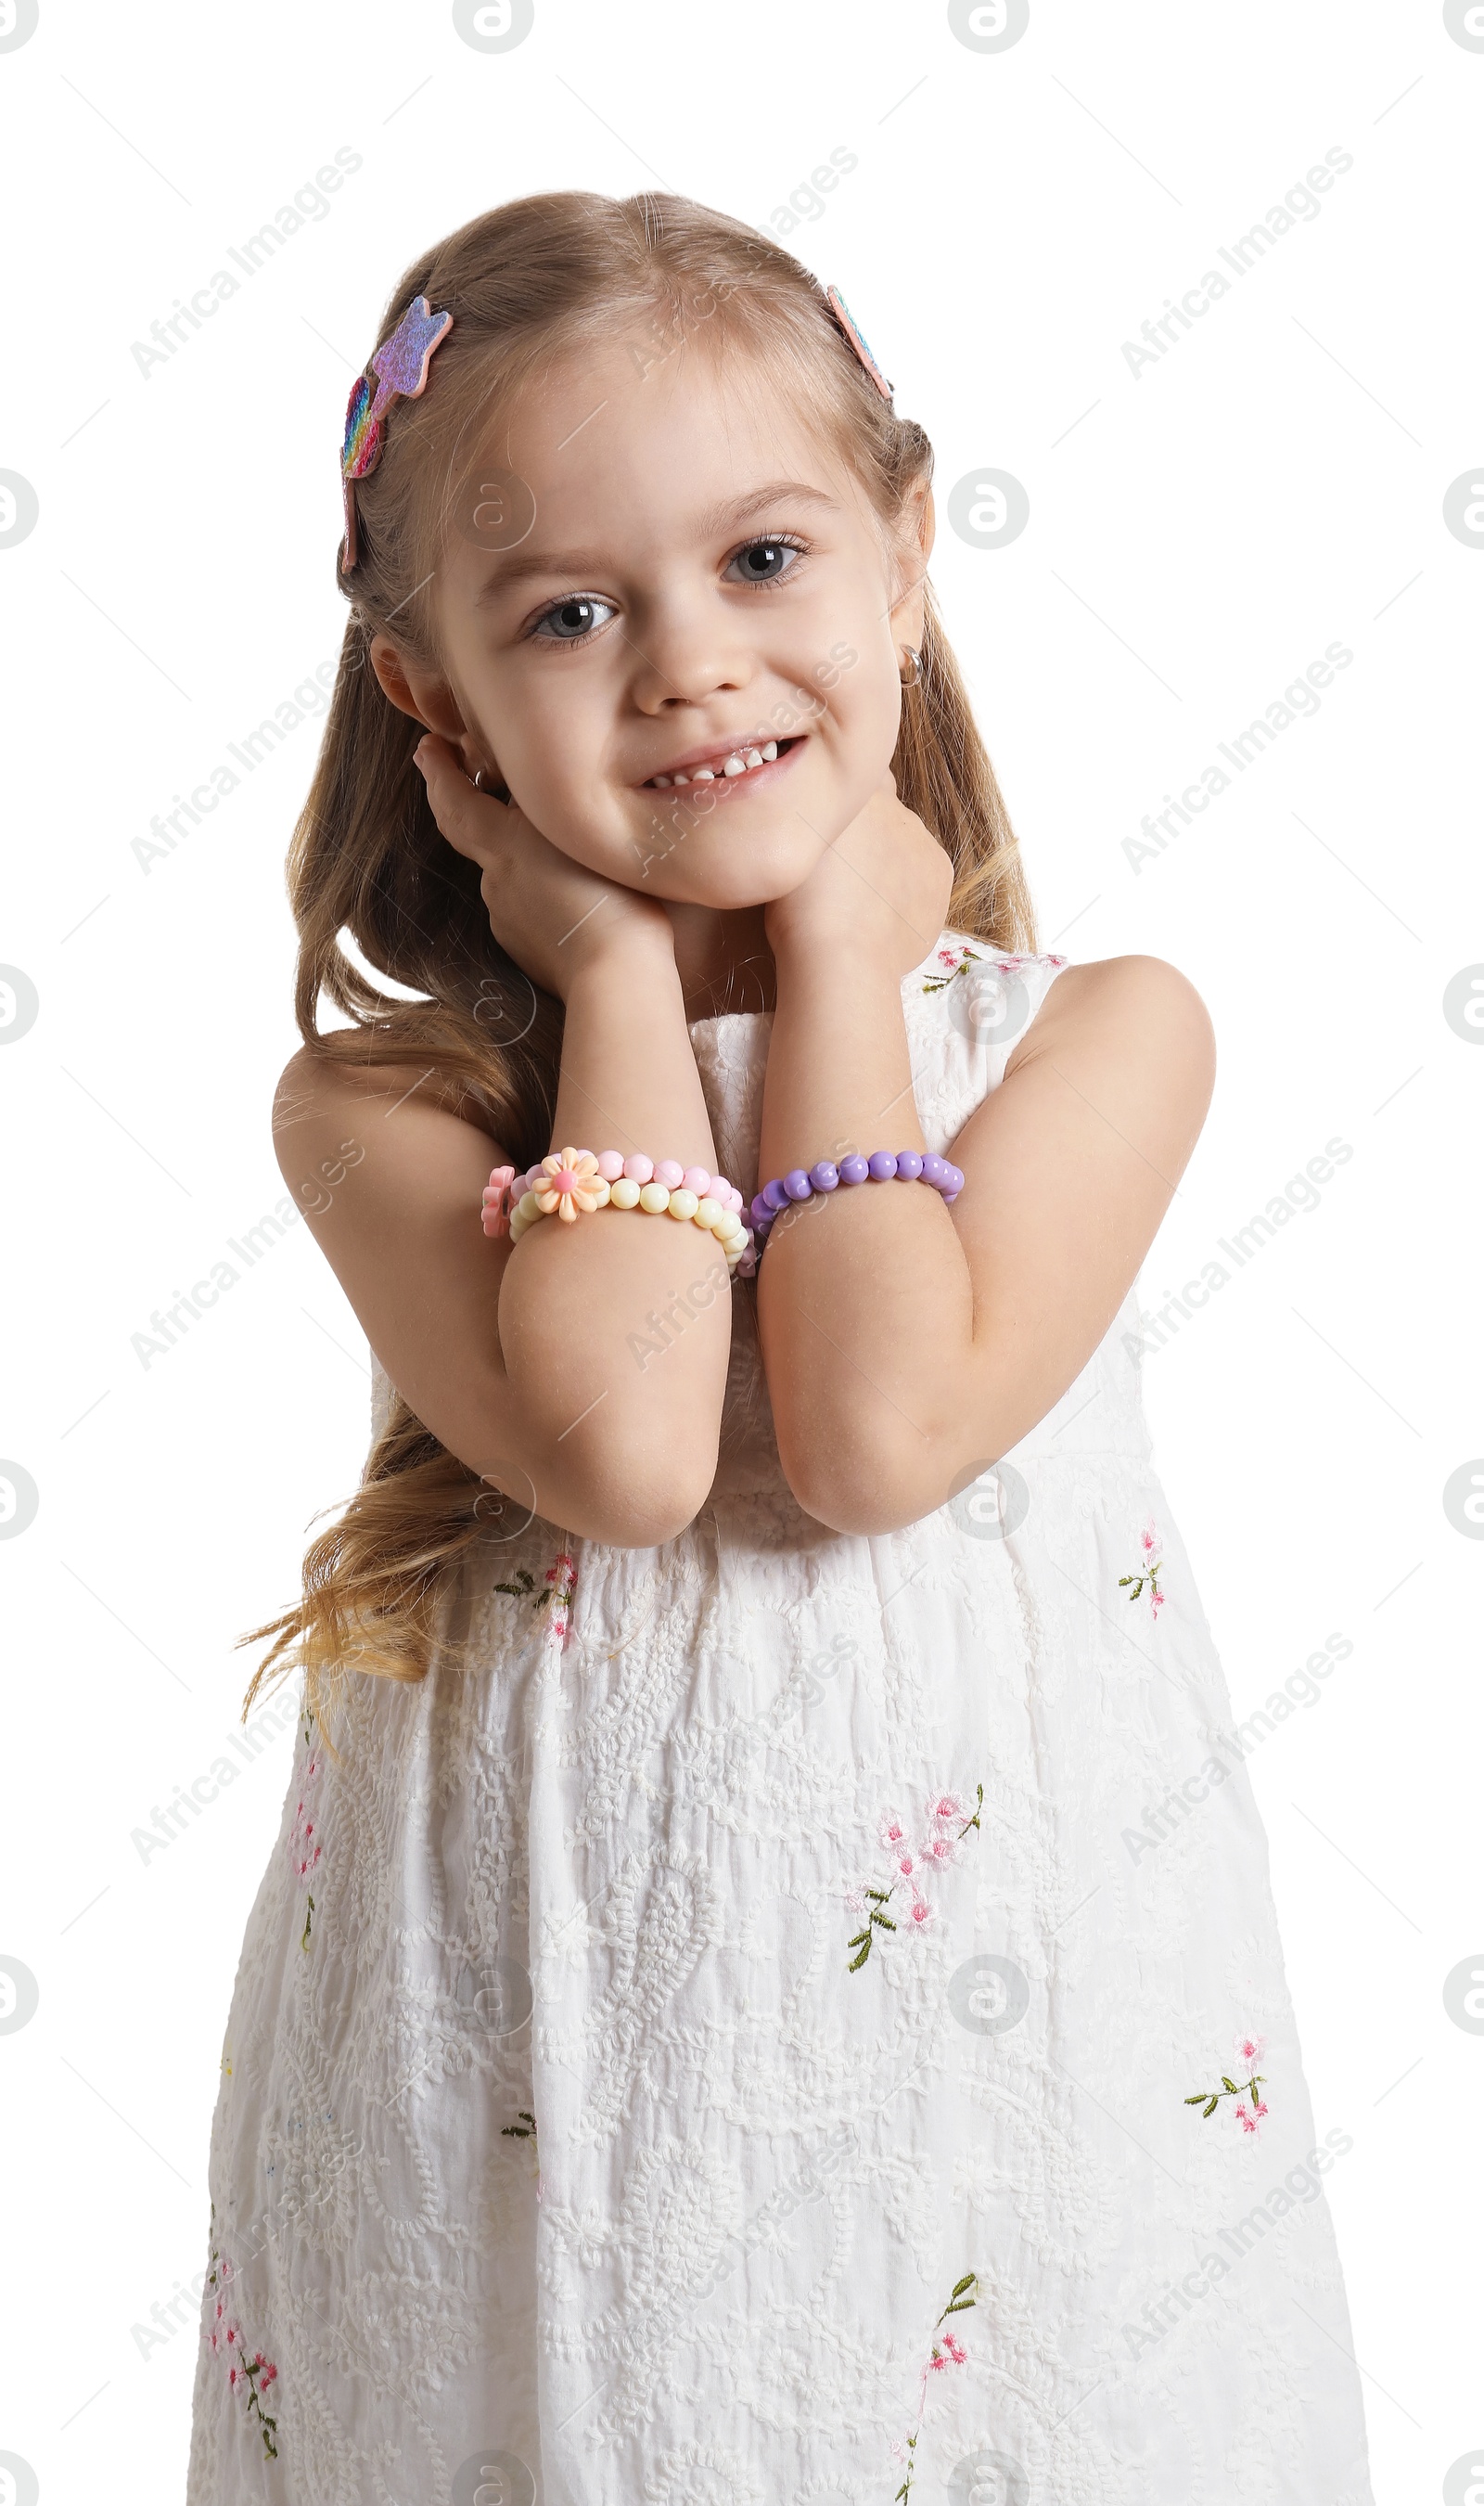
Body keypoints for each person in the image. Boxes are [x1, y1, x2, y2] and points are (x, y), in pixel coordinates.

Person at [187, 191, 1374, 2506]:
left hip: (994, 2056)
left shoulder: (1087, 1046)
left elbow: (865, 1425)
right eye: (565, 609)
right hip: (513, 2078)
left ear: (905, 557)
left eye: (760, 561)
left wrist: (845, 965)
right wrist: (624, 989)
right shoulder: (398, 1115)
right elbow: (628, 1448)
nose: (687, 667)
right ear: (430, 696)